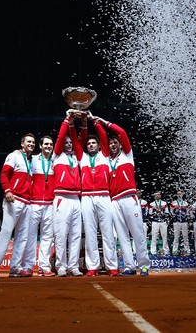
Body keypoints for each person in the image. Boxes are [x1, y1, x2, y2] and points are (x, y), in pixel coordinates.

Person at [93, 114, 150, 276]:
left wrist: (104, 122)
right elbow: (103, 141)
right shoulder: (107, 161)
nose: (112, 145)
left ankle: (144, 264)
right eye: (110, 143)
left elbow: (122, 133)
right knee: (122, 235)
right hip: (114, 201)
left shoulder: (127, 155)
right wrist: (95, 125)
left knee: (137, 232)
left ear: (119, 144)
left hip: (129, 198)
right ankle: (129, 266)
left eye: (115, 142)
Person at [74, 113, 119, 277]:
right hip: (86, 197)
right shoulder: (82, 158)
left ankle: (112, 266)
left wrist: (95, 121)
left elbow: (103, 135)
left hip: (103, 196)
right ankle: (92, 266)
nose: (91, 145)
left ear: (100, 146)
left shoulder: (104, 156)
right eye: (89, 144)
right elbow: (76, 140)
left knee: (107, 232)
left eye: (94, 143)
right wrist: (76, 122)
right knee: (90, 232)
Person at [0, 133, 35, 279]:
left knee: (22, 237)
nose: (31, 144)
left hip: (27, 202)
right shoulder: (13, 156)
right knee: (6, 233)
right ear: (22, 144)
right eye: (28, 141)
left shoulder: (31, 161)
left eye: (33, 142)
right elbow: (3, 175)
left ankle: (15, 268)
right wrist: (7, 190)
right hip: (13, 200)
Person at [52, 112, 84, 277]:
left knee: (75, 235)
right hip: (62, 199)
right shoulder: (57, 156)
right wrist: (67, 120)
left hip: (76, 199)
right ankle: (61, 266)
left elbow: (80, 139)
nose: (69, 144)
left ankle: (73, 266)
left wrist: (80, 122)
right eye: (67, 142)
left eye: (71, 142)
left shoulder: (77, 158)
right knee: (61, 234)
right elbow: (59, 138)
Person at [22, 135, 56, 277]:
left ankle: (44, 266)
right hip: (34, 203)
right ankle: (28, 266)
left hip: (50, 204)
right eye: (46, 144)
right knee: (30, 236)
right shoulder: (33, 159)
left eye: (51, 144)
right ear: (40, 146)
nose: (48, 146)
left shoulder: (56, 160)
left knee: (47, 237)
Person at [149, 191, 170, 257]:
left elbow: (167, 213)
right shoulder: (152, 204)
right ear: (154, 196)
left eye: (159, 195)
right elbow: (150, 214)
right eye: (156, 195)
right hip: (155, 222)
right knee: (154, 237)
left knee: (164, 236)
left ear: (160, 196)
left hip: (163, 222)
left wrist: (161, 213)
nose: (157, 196)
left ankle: (166, 251)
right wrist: (155, 213)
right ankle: (153, 251)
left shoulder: (164, 203)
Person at [170, 189, 191, 256]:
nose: (179, 195)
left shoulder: (185, 203)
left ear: (182, 195)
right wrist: (175, 217)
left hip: (184, 222)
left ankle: (187, 250)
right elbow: (171, 212)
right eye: (178, 194)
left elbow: (188, 212)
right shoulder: (173, 203)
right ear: (176, 195)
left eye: (180, 194)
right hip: (176, 222)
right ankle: (175, 250)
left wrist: (187, 218)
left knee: (185, 237)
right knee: (176, 237)